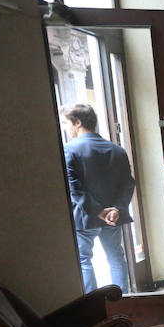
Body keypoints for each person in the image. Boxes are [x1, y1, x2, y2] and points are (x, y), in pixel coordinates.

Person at [59, 103, 135, 293]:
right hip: (113, 218)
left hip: (85, 216)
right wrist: (116, 209)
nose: (65, 128)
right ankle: (122, 301)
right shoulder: (117, 150)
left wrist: (97, 211)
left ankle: (93, 309)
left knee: (84, 260)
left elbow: (73, 187)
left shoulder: (69, 150)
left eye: (65, 123)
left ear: (77, 123)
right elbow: (128, 183)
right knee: (116, 257)